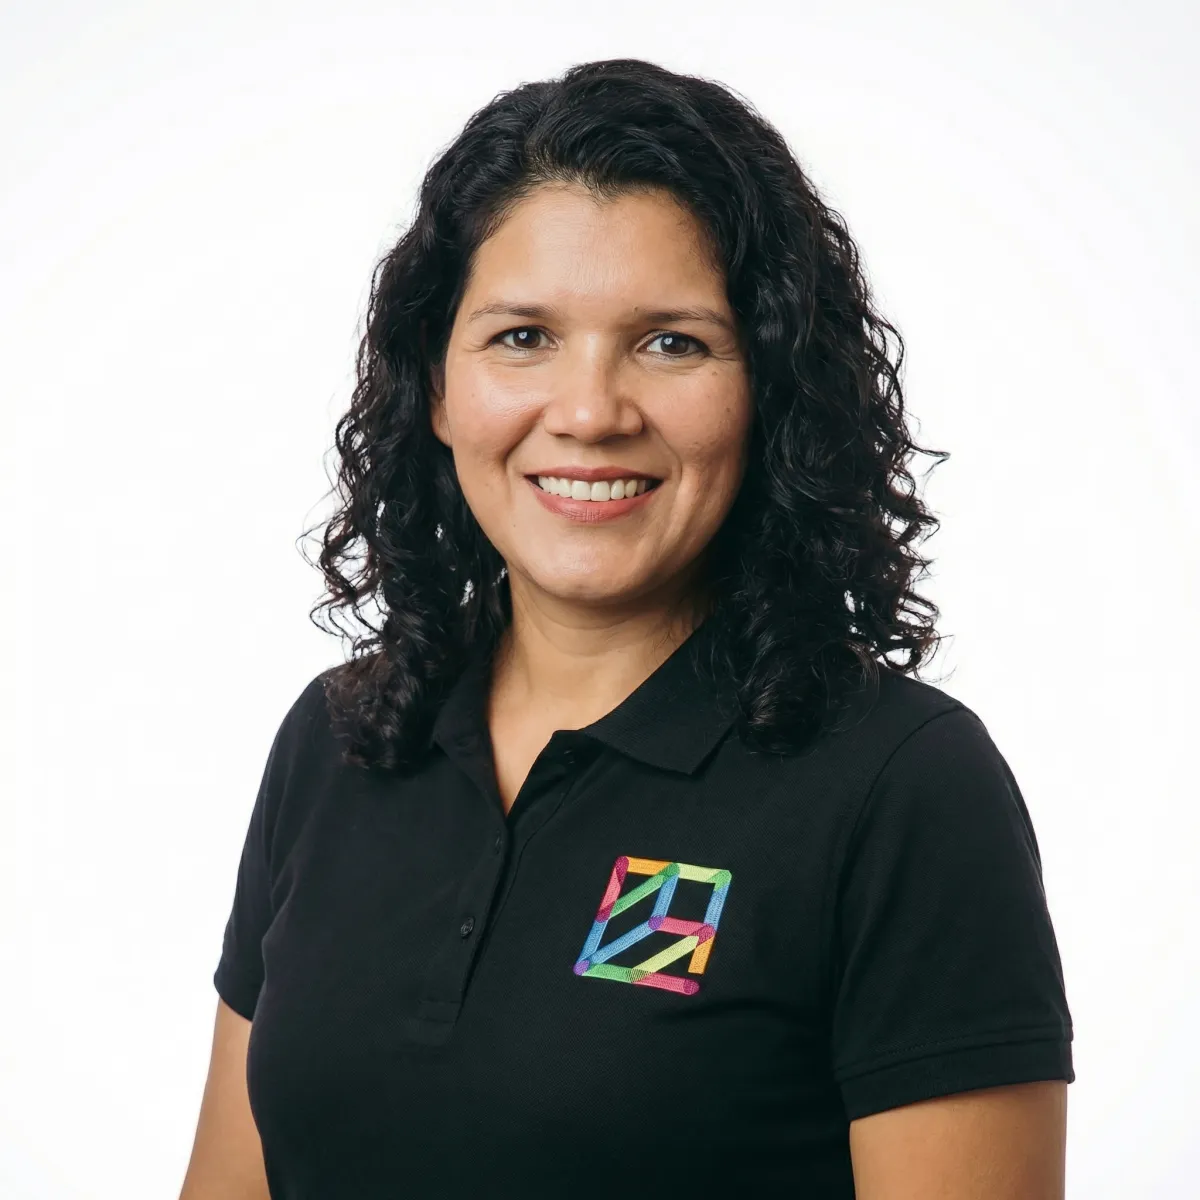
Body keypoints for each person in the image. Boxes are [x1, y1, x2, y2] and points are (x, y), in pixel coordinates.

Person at [180, 57, 1073, 1199]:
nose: (591, 412)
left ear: (769, 387)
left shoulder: (902, 786)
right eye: (522, 337)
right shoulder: (341, 739)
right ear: (437, 387)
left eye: (671, 342)